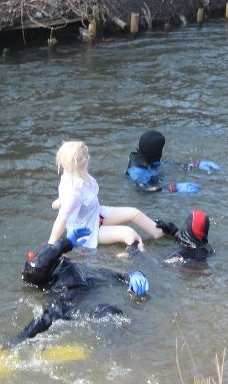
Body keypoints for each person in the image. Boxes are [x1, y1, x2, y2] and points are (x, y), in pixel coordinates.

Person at [17, 228, 150, 340]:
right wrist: (63, 244)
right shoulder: (47, 273)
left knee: (111, 312)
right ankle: (12, 346)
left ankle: (115, 353)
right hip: (61, 306)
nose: (63, 255)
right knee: (44, 321)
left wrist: (135, 275)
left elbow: (115, 276)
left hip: (86, 306)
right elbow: (35, 269)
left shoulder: (83, 269)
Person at [49, 140, 178, 254]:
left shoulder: (76, 175)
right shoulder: (73, 193)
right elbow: (61, 220)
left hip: (96, 214)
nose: (84, 160)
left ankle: (161, 232)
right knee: (129, 233)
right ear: (69, 164)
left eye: (84, 156)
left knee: (134, 213)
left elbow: (62, 201)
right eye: (79, 159)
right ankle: (131, 257)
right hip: (87, 230)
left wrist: (57, 203)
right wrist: (50, 248)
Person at [126, 130, 220, 192]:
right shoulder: (137, 173)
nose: (164, 150)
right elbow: (144, 190)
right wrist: (171, 188)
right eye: (162, 148)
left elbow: (167, 165)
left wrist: (192, 165)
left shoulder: (148, 160)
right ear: (157, 151)